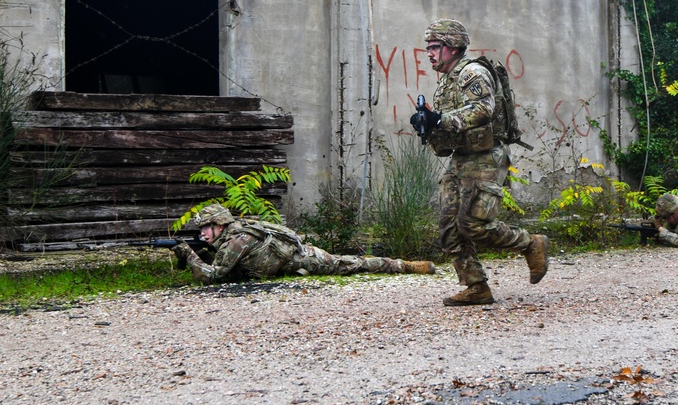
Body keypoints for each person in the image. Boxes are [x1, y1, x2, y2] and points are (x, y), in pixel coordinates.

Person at [409, 18, 548, 306]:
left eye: (434, 47)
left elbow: (484, 109)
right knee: (449, 229)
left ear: (452, 47)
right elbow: (451, 122)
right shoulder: (447, 81)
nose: (430, 53)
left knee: (473, 225)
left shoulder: (471, 72)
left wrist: (440, 118)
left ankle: (530, 243)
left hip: (484, 159)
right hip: (461, 160)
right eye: (428, 48)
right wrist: (427, 122)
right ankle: (476, 287)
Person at [171, 203, 437, 284]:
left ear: (219, 224)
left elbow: (214, 276)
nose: (203, 233)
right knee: (348, 264)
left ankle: (403, 266)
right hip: (285, 263)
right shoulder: (230, 236)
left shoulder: (237, 240)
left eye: (206, 227)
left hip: (300, 258)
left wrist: (188, 254)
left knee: (349, 264)